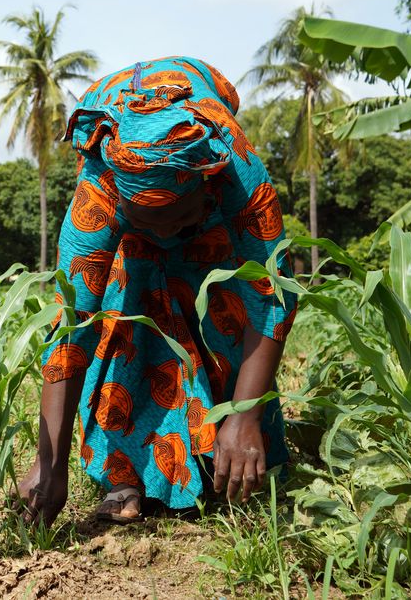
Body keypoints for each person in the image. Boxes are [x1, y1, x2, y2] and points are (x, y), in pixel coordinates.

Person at [19, 56, 297, 525]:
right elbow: (70, 333)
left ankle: (229, 445)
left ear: (205, 188)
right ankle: (125, 473)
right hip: (136, 237)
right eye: (154, 224)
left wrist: (246, 414)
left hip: (214, 233)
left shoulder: (233, 168)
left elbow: (274, 295)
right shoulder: (100, 193)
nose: (170, 236)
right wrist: (49, 464)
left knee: (226, 307)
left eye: (180, 220)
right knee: (124, 313)